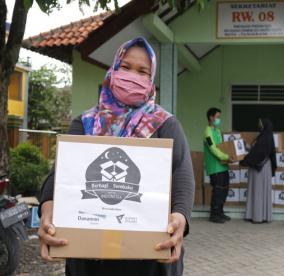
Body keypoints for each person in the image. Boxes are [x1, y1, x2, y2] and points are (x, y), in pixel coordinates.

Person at [38, 37, 194, 276]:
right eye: (126, 67)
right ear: (113, 69)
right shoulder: (85, 123)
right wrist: (48, 208)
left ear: (151, 80)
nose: (133, 76)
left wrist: (180, 217)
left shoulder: (165, 125)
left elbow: (182, 175)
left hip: (151, 257)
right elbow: (59, 176)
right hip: (90, 258)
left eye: (143, 71)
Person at [240, 118, 277, 223]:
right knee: (259, 191)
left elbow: (258, 154)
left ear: (265, 125)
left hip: (260, 168)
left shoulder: (265, 138)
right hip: (260, 167)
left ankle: (257, 217)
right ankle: (262, 216)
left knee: (258, 192)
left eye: (260, 124)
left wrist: (244, 161)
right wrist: (245, 145)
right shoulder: (263, 137)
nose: (259, 126)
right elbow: (254, 150)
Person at [204, 107, 233, 223]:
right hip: (215, 167)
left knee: (224, 190)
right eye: (217, 117)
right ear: (211, 117)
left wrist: (229, 156)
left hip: (223, 165)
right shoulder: (208, 132)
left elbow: (222, 147)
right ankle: (214, 214)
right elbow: (213, 149)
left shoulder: (217, 131)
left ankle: (220, 212)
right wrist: (226, 157)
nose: (219, 119)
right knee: (217, 190)